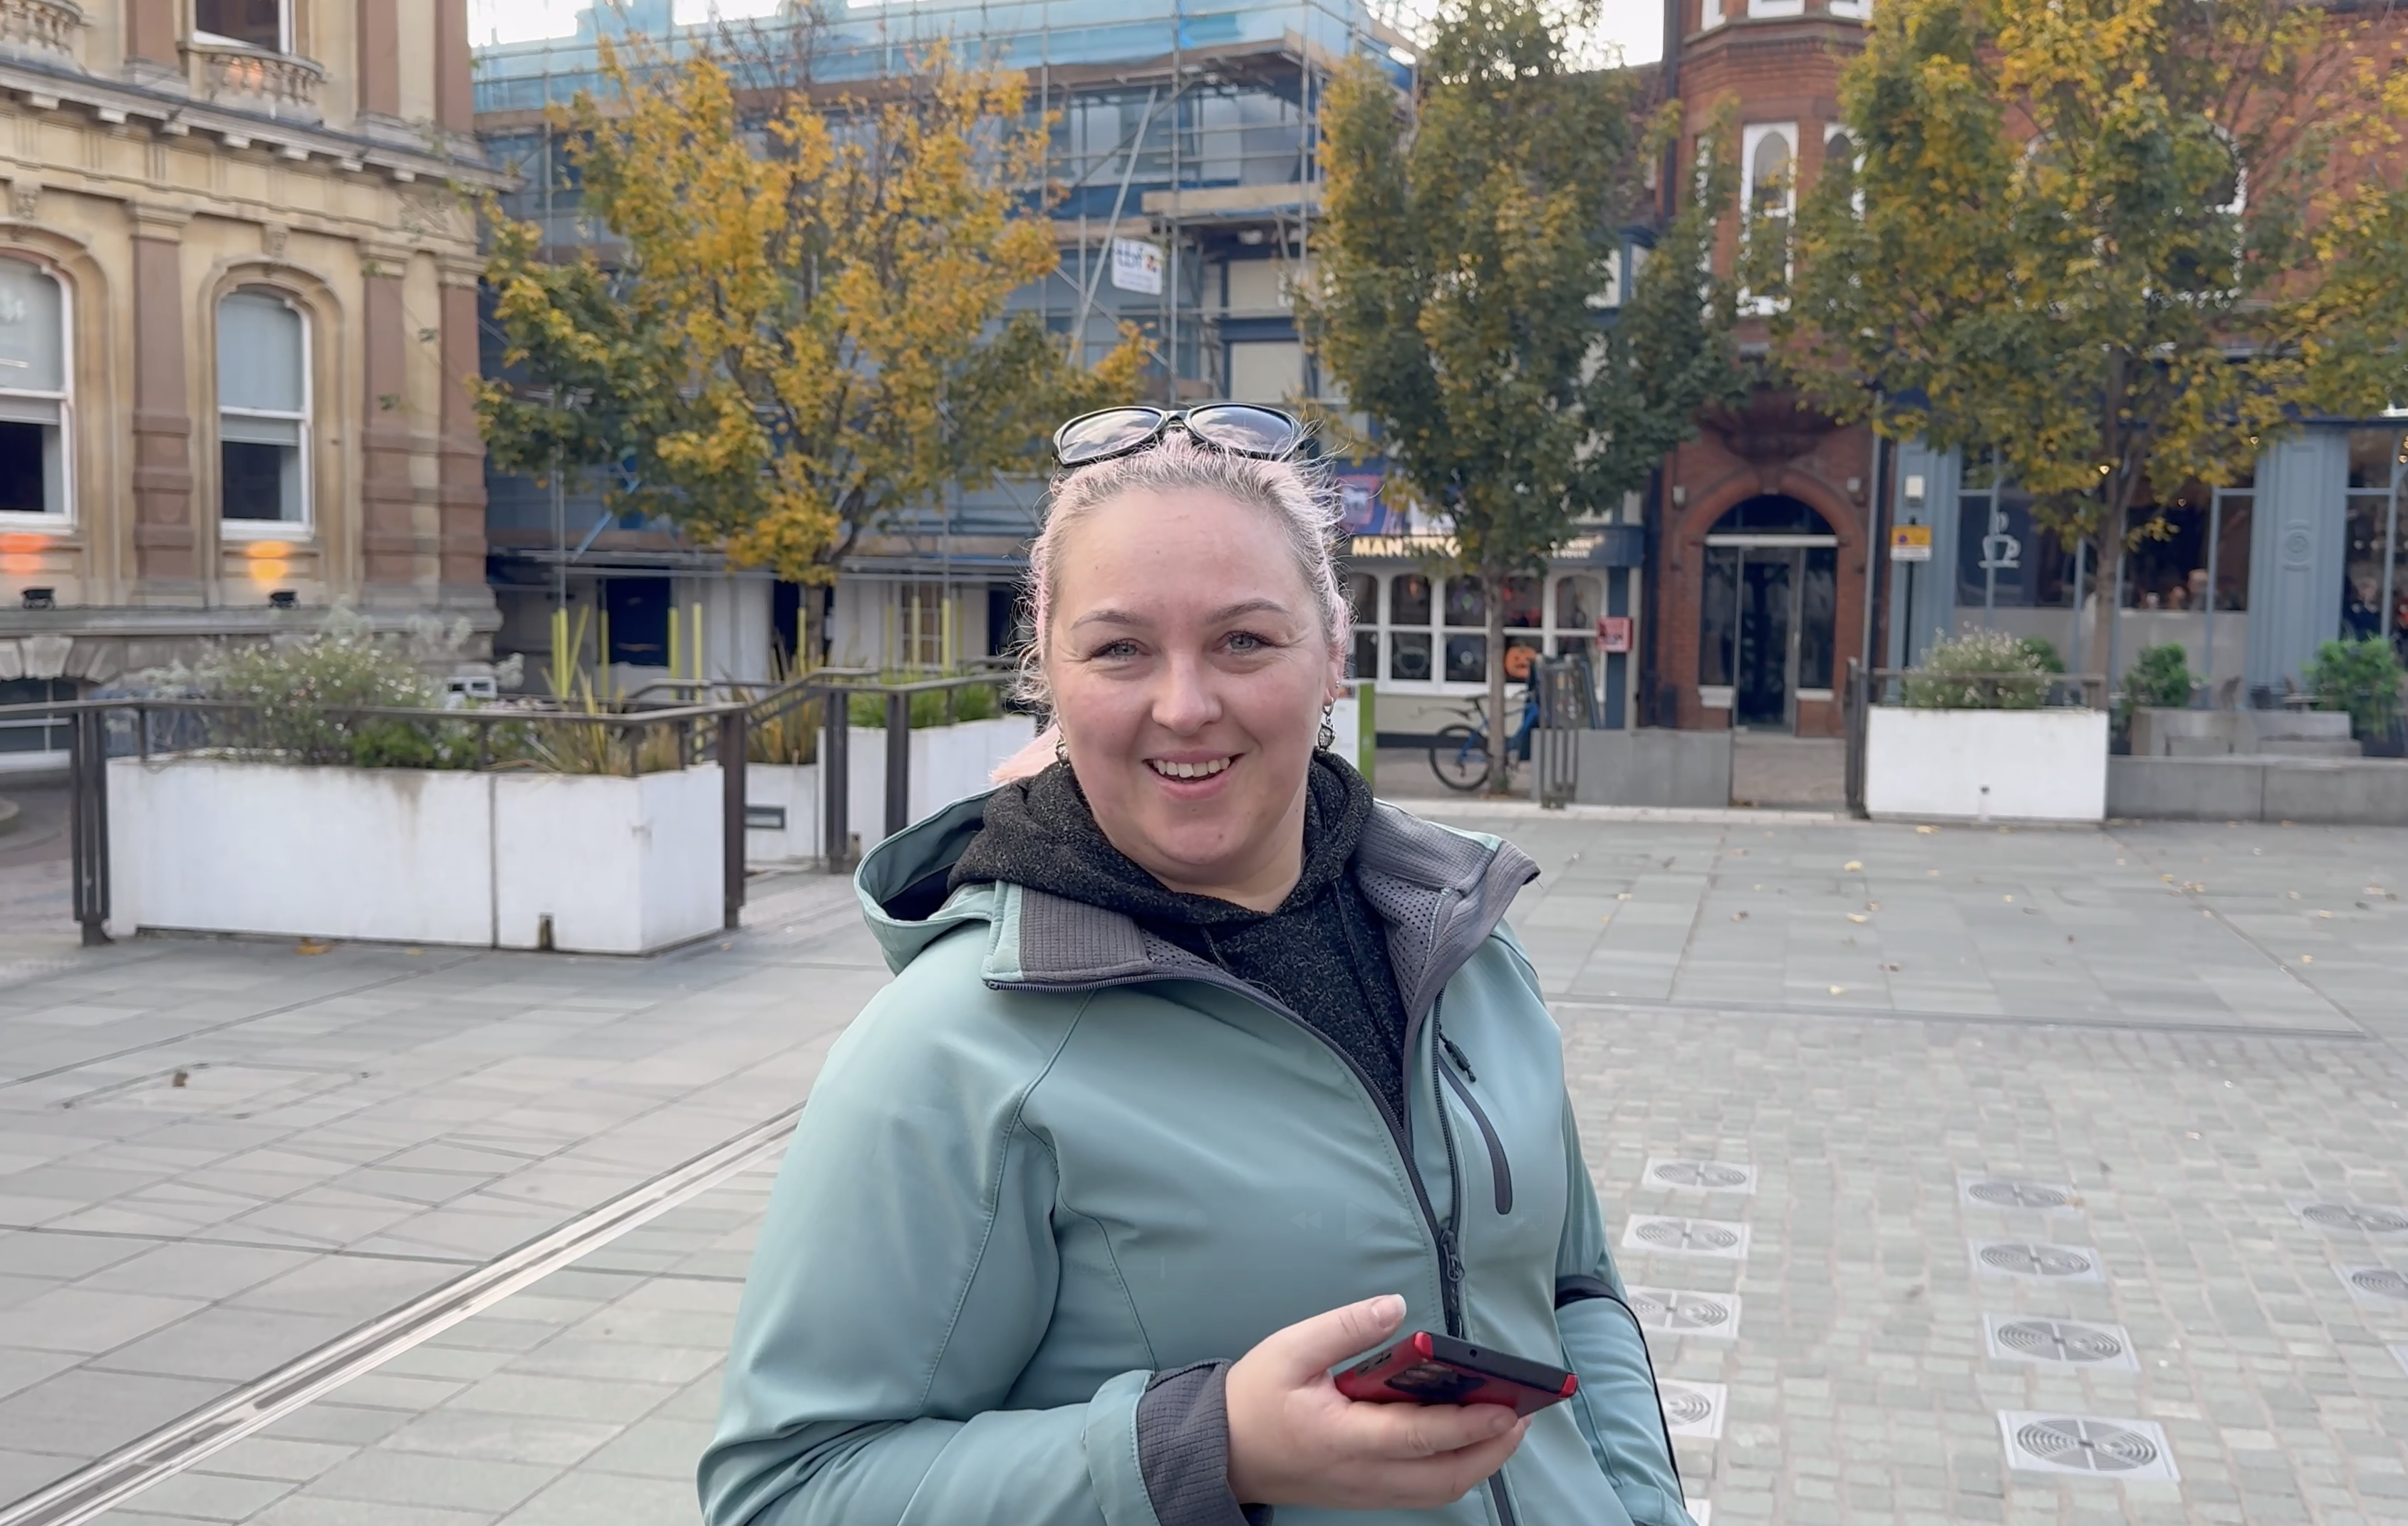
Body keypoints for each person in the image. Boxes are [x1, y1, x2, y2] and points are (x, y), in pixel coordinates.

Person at [700, 405, 1693, 1526]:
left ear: (1333, 656)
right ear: (1052, 675)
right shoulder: (947, 1049)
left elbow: (1574, 1288)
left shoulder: (1459, 933)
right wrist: (1202, 1449)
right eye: (1121, 648)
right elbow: (784, 1491)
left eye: (1243, 640)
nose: (1185, 704)